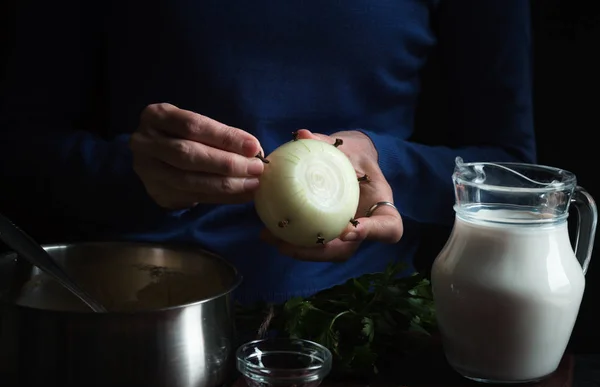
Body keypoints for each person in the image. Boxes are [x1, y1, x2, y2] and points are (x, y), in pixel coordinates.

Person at [0, 0, 536, 304]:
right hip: (139, 313)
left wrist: (388, 164)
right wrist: (132, 174)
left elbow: (517, 174)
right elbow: (19, 149)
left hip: (364, 323)